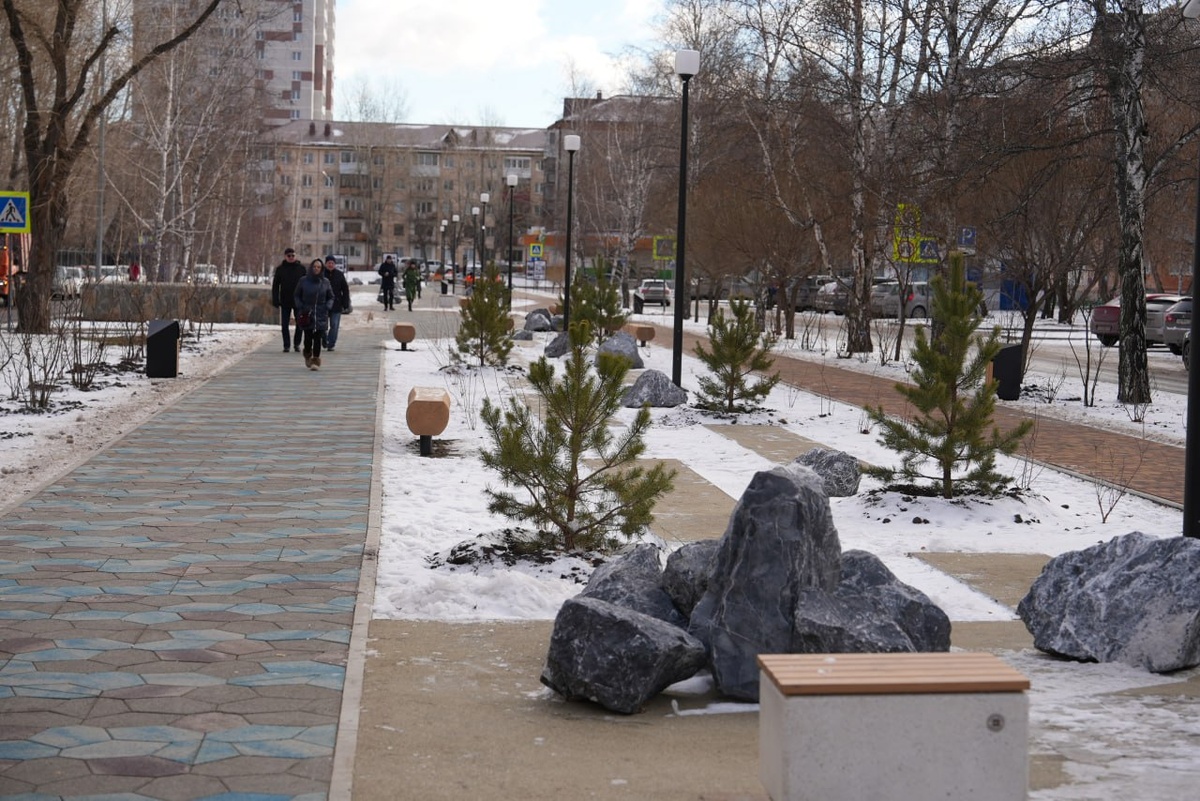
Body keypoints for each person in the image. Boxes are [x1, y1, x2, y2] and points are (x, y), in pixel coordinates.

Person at [294, 258, 334, 370]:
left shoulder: (325, 282)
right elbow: (297, 295)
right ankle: (307, 354)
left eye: (319, 267)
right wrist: (300, 306)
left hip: (321, 312)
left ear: (321, 269)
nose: (316, 269)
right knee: (308, 337)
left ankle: (315, 360)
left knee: (318, 338)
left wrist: (328, 306)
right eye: (314, 267)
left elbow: (331, 296)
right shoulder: (303, 280)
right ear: (311, 267)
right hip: (307, 312)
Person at [271, 248, 306, 352]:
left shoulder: (301, 269)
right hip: (285, 300)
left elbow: (307, 285)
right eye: (289, 256)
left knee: (300, 324)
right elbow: (275, 285)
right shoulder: (280, 269)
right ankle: (286, 345)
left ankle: (297, 344)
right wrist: (275, 299)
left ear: (295, 256)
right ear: (285, 257)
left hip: (298, 301)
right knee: (284, 324)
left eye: (292, 255)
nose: (291, 257)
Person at [323, 254, 351, 351]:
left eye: (332, 263)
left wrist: (345, 303)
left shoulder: (339, 274)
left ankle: (331, 343)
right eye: (329, 263)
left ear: (334, 264)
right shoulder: (321, 274)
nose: (330, 265)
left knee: (334, 325)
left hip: (336, 303)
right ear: (325, 264)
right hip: (323, 304)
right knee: (322, 326)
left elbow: (345, 289)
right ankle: (324, 339)